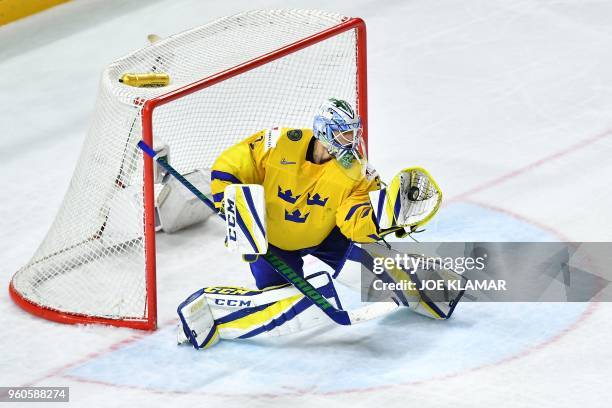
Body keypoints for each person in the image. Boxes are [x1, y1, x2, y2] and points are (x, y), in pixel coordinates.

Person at [210, 98, 393, 289]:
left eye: (354, 133)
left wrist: (384, 219)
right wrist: (228, 203)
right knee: (280, 294)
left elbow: (356, 219)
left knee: (378, 268)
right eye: (345, 133)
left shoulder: (358, 171)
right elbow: (233, 165)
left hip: (328, 237)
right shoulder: (279, 142)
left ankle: (408, 281)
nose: (352, 140)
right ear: (324, 130)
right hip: (273, 244)